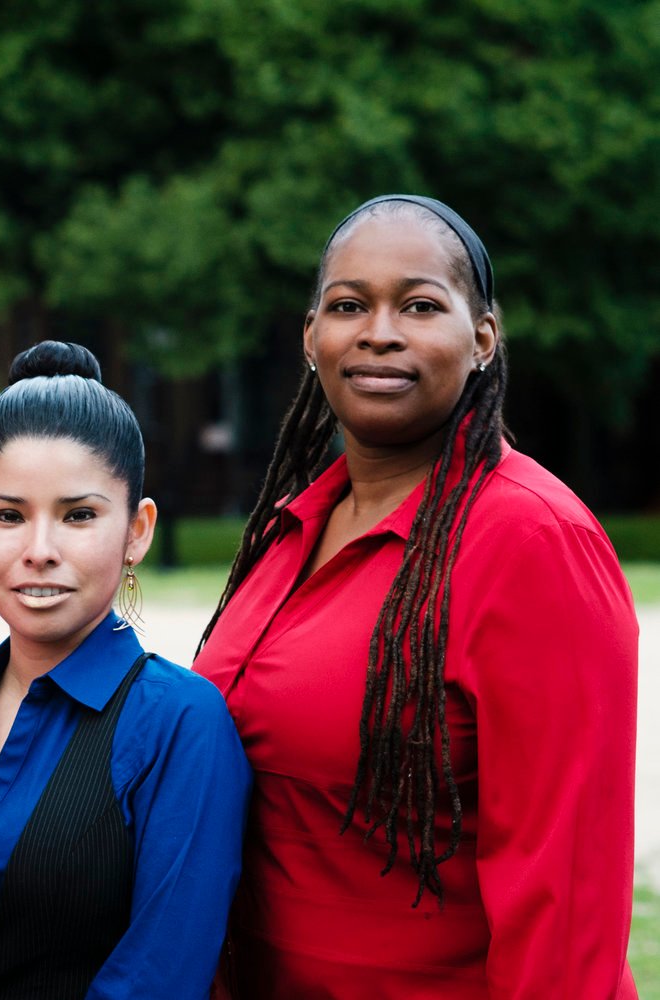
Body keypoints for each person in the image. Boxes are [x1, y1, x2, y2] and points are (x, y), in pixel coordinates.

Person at [193, 194, 640, 996]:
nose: (379, 332)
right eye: (348, 306)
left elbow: (565, 897)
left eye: (421, 305)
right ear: (311, 338)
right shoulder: (290, 528)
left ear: (483, 339)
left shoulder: (533, 542)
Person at [0, 342, 251, 999]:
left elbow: (161, 973)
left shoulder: (180, 723)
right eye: (9, 516)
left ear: (137, 530)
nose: (39, 550)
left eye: (78, 516)